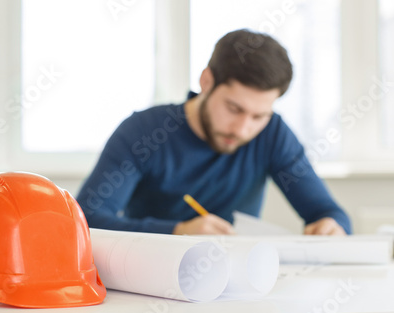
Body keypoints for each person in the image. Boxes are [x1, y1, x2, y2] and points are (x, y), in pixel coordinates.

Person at [77, 29, 351, 236]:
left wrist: (332, 227)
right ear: (206, 81)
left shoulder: (273, 134)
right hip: (149, 282)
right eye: (234, 108)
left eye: (259, 116)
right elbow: (87, 220)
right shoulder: (144, 132)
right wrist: (179, 231)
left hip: (240, 286)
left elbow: (329, 213)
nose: (243, 129)